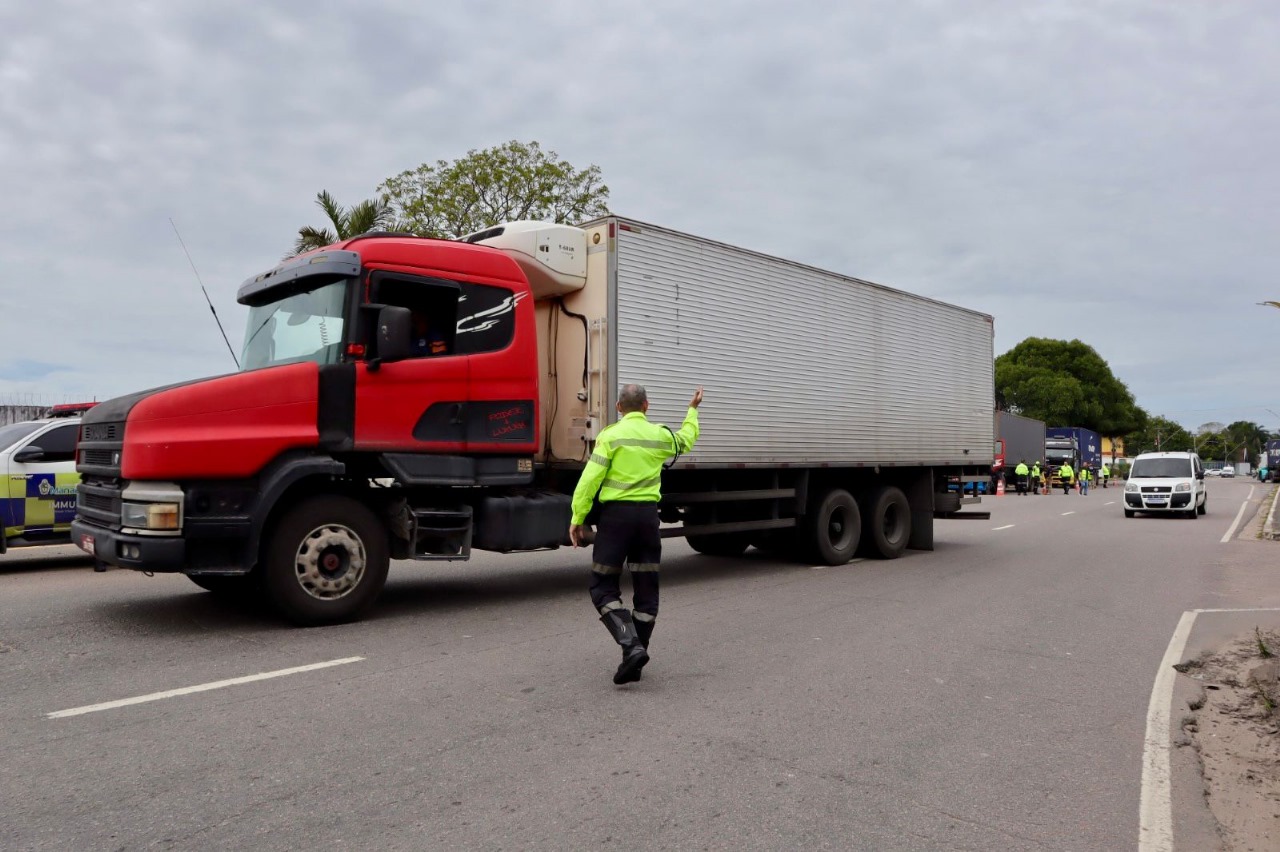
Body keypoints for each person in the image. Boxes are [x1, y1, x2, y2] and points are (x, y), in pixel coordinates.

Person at [569, 383, 703, 684]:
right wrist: (692, 410)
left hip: (615, 521)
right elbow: (686, 440)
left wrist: (578, 517)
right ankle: (635, 659)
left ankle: (631, 647)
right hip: (646, 521)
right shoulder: (660, 436)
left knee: (602, 586)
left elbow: (590, 480)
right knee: (646, 591)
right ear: (646, 406)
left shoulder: (610, 436)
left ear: (619, 408)